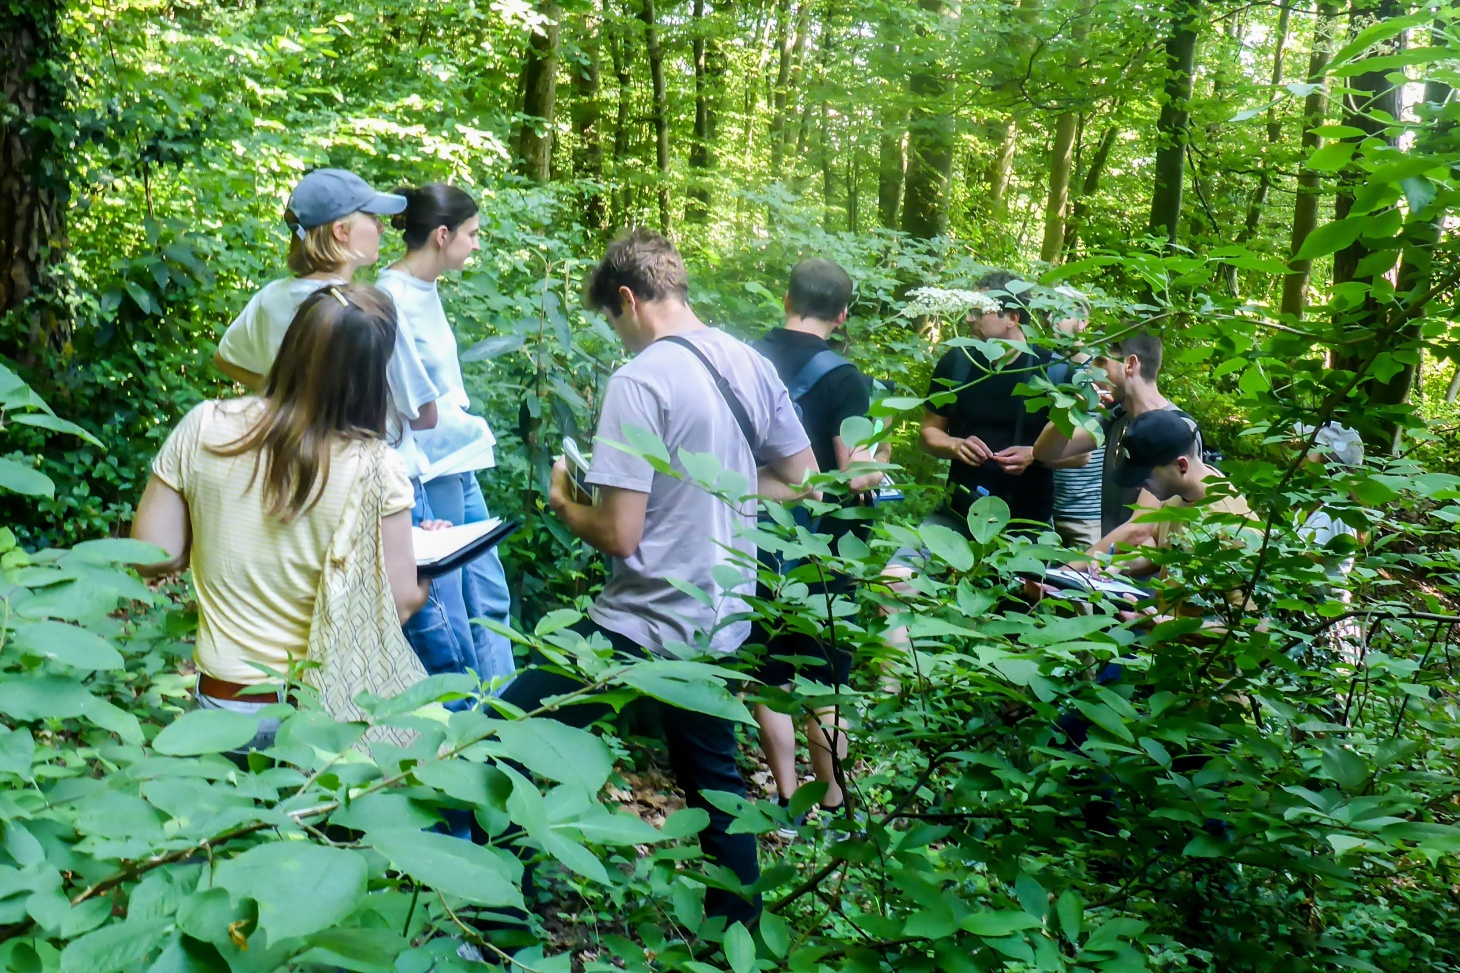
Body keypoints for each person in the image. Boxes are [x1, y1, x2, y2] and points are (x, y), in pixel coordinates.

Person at [500, 230, 817, 925]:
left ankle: (499, 919)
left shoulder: (640, 379)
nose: (619, 339)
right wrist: (720, 492)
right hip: (721, 616)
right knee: (715, 788)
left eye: (614, 323)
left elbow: (620, 533)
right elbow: (806, 480)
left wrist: (566, 504)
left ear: (626, 299)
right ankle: (737, 937)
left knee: (509, 732)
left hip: (641, 625)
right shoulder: (749, 362)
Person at [132, 284, 431, 757]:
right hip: (321, 711)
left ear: (291, 344)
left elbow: (151, 555)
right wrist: (428, 573)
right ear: (374, 371)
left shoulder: (205, 426)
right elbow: (398, 604)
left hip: (222, 705)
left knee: (224, 830)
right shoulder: (377, 468)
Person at [749, 258, 880, 835]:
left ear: (786, 298)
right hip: (827, 546)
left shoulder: (744, 357)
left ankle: (784, 800)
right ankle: (832, 803)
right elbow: (855, 477)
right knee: (828, 678)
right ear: (843, 314)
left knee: (769, 675)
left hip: (755, 532)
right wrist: (882, 460)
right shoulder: (846, 379)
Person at [377, 184, 515, 691]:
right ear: (442, 235)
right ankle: (466, 726)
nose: (476, 244)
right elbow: (417, 408)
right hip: (427, 469)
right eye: (472, 234)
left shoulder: (427, 288)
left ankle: (506, 717)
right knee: (452, 606)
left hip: (459, 460)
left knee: (490, 593)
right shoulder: (389, 296)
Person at [1032, 330, 1202, 547]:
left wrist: (1076, 569)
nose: (1092, 371)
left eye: (1102, 362)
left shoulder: (1177, 429)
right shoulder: (1117, 419)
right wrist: (1073, 409)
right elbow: (1044, 452)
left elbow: (1141, 528)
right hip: (1109, 570)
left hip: (1145, 574)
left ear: (1130, 365)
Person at [1048, 290, 1104, 550]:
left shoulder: (1103, 372)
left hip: (1089, 513)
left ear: (1083, 322)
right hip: (1045, 508)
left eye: (1061, 312)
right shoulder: (1040, 368)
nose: (1051, 319)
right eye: (1048, 312)